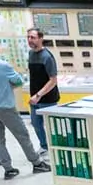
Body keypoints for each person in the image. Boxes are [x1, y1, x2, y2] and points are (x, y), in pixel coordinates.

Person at [0, 33, 51, 180]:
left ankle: (8, 169)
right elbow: (19, 81)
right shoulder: (2, 65)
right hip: (4, 107)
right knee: (22, 135)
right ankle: (37, 163)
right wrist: (8, 86)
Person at [26, 27, 59, 156]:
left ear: (40, 38)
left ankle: (54, 147)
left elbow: (53, 80)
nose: (30, 40)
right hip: (34, 98)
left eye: (33, 37)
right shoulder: (30, 54)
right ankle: (44, 146)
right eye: (28, 37)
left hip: (47, 98)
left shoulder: (47, 57)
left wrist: (39, 95)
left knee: (51, 126)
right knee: (36, 123)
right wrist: (34, 96)